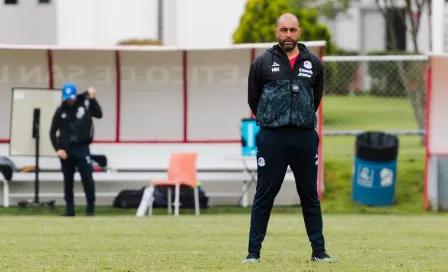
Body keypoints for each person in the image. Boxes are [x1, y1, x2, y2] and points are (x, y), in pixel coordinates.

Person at [242, 13, 337, 263]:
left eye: (292, 30)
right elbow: (253, 99)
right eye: (283, 30)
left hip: (304, 137)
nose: (288, 35)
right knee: (264, 194)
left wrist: (300, 117)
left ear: (299, 32)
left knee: (309, 195)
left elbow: (315, 98)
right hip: (272, 137)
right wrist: (273, 117)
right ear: (276, 32)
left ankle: (319, 251)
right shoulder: (262, 63)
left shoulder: (313, 63)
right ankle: (253, 253)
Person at [49, 82, 103, 216]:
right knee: (68, 181)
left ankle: (90, 209)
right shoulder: (60, 110)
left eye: (72, 97)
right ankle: (69, 209)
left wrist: (92, 98)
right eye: (67, 97)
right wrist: (58, 149)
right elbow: (52, 131)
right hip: (66, 150)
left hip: (82, 148)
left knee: (87, 178)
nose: (70, 100)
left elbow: (99, 114)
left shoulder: (84, 105)